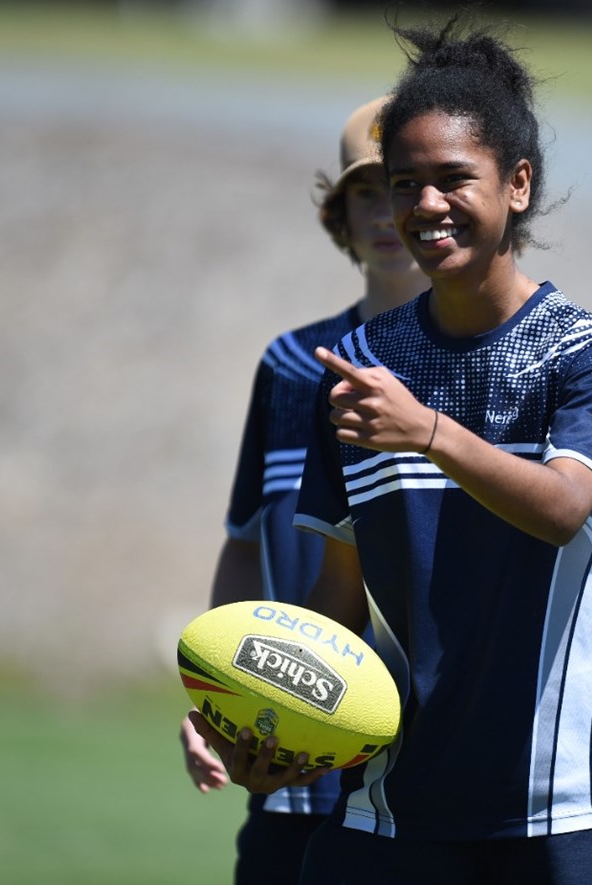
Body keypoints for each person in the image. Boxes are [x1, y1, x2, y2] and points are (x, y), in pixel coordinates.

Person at [190, 14, 592, 883]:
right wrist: (271, 718)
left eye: (453, 178)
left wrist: (424, 429)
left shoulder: (587, 354)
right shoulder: (356, 369)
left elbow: (564, 508)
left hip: (566, 805)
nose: (424, 205)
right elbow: (339, 591)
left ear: (518, 184)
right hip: (396, 807)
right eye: (403, 183)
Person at [178, 96, 425, 885]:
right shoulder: (292, 366)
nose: (384, 213)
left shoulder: (476, 368)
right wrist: (218, 697)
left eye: (401, 187)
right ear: (338, 213)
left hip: (429, 785)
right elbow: (245, 541)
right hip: (293, 768)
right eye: (364, 193)